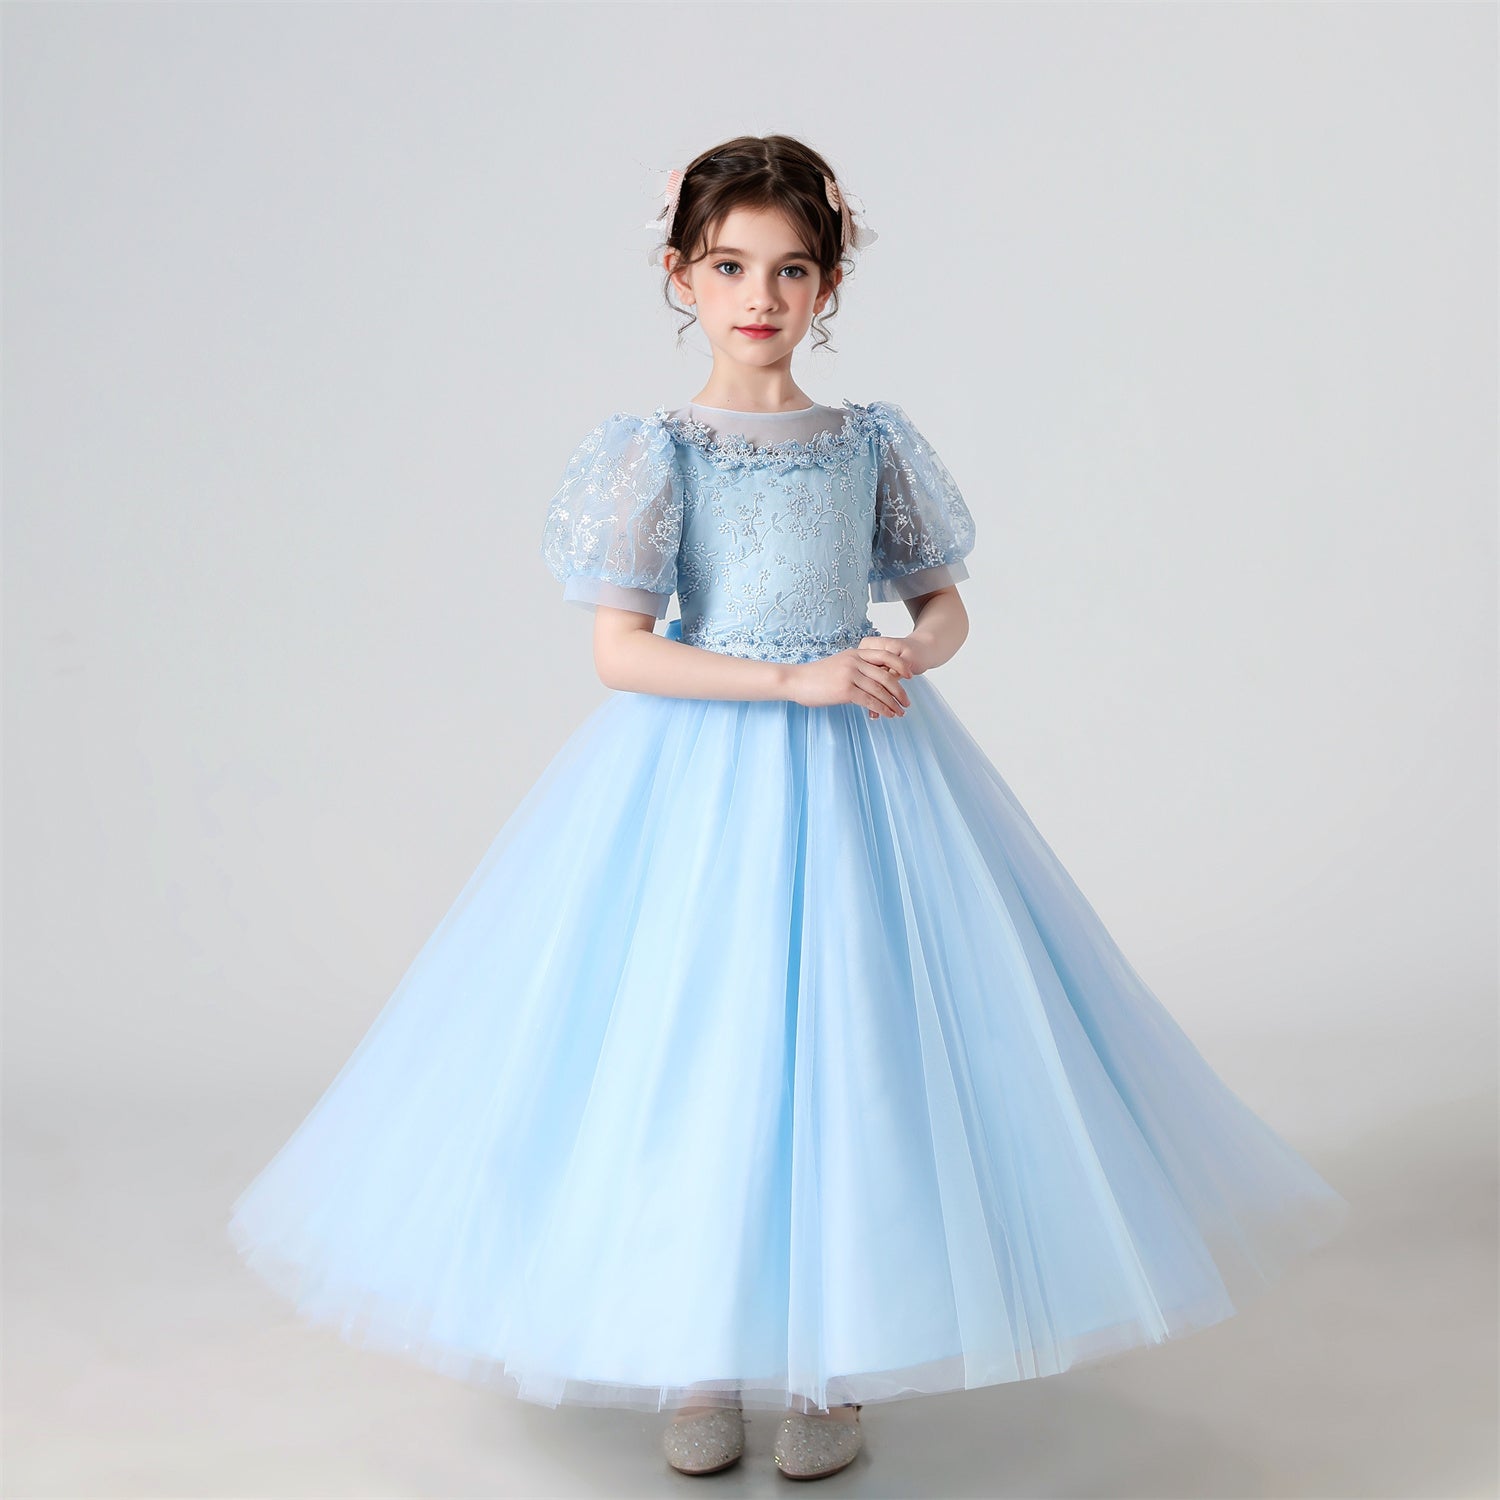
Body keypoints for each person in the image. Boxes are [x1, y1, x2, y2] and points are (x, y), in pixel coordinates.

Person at [227, 134, 1350, 1483]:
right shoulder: (656, 451)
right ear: (679, 275)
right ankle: (699, 1352)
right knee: (699, 1042)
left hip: (868, 770)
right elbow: (620, 651)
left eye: (791, 269)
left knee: (856, 1044)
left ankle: (833, 1364)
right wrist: (788, 678)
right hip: (699, 777)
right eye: (728, 267)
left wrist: (906, 654)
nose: (759, 296)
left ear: (830, 282)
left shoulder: (867, 441)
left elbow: (943, 605)